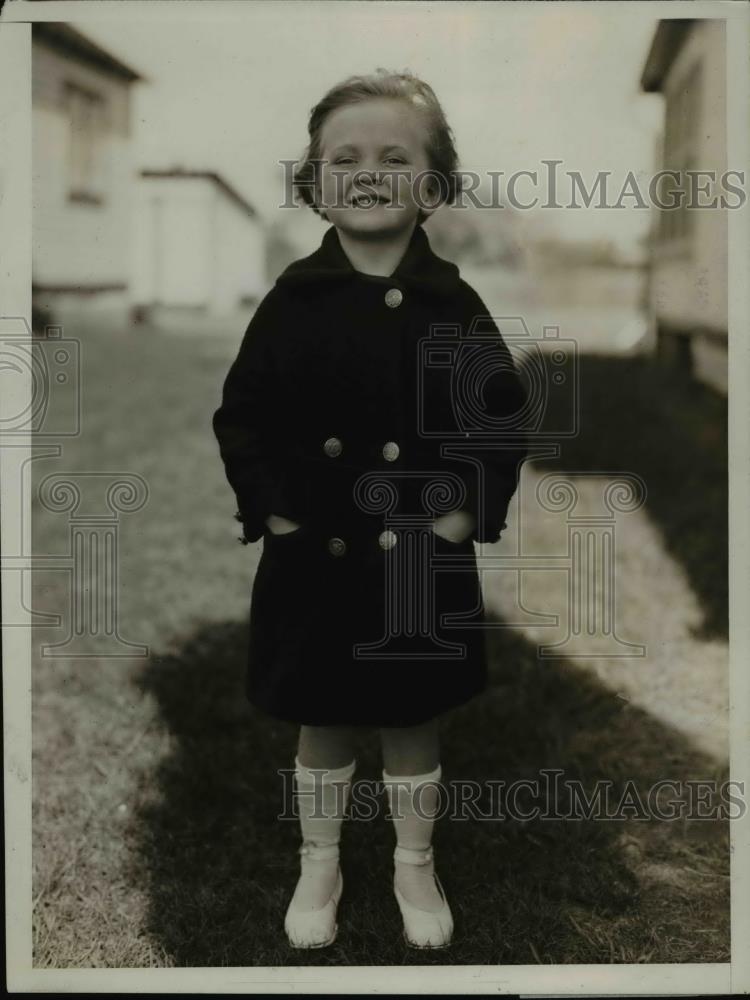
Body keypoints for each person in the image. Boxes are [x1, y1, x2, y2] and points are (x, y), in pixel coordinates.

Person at [212, 69, 528, 951]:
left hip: (418, 555)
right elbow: (245, 420)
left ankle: (412, 865)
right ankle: (321, 859)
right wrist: (276, 513)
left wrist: (464, 511)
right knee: (323, 712)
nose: (369, 172)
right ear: (314, 183)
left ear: (433, 186)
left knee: (409, 712)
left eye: (396, 156)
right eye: (344, 158)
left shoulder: (452, 304)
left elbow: (499, 419)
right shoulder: (292, 301)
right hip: (316, 549)